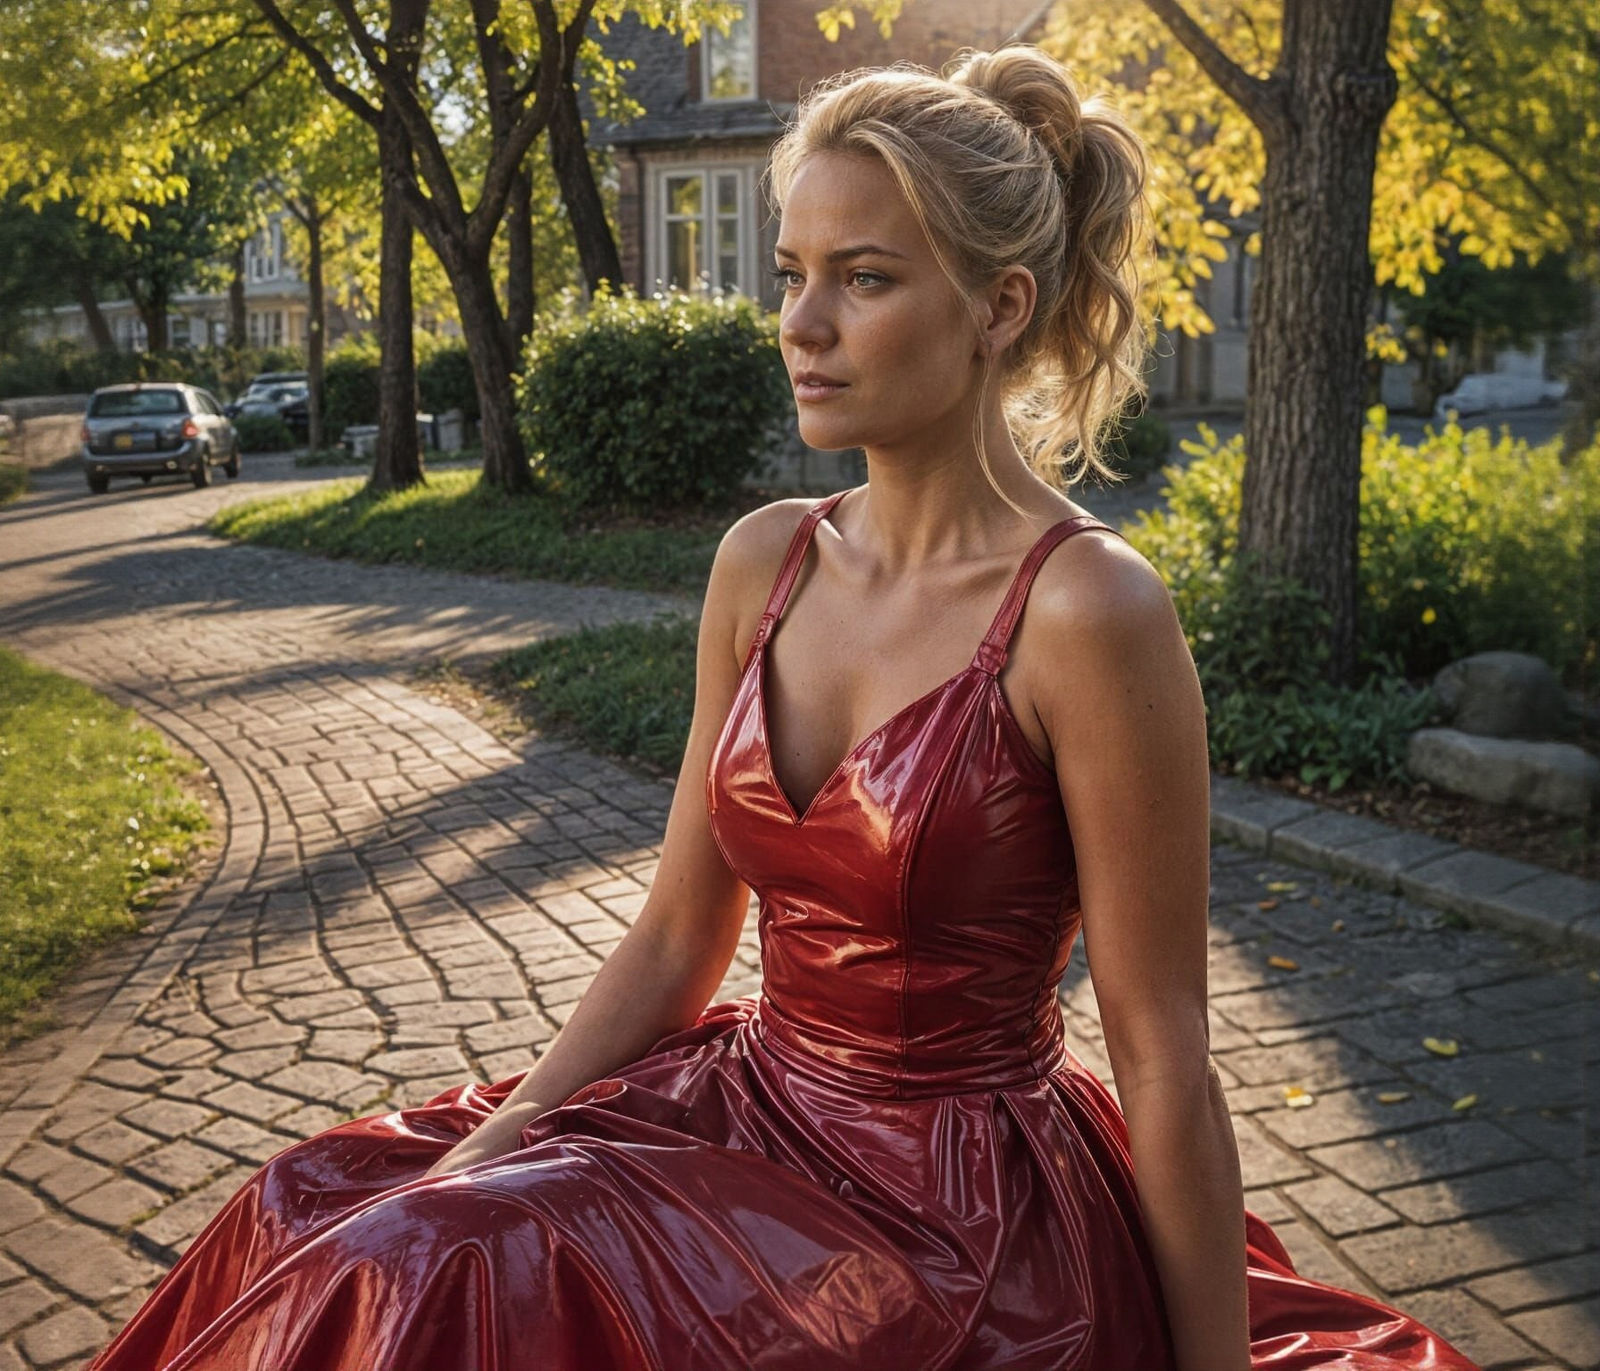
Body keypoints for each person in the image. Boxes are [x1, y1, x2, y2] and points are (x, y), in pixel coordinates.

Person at [91, 45, 1482, 1371]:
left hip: (955, 1214)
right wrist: (502, 1130)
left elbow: (1164, 1052)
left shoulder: (1088, 613)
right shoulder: (765, 559)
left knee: (431, 1263)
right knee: (316, 1199)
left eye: (863, 280)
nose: (800, 328)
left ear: (999, 308)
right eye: (793, 275)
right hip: (747, 1114)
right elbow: (680, 934)